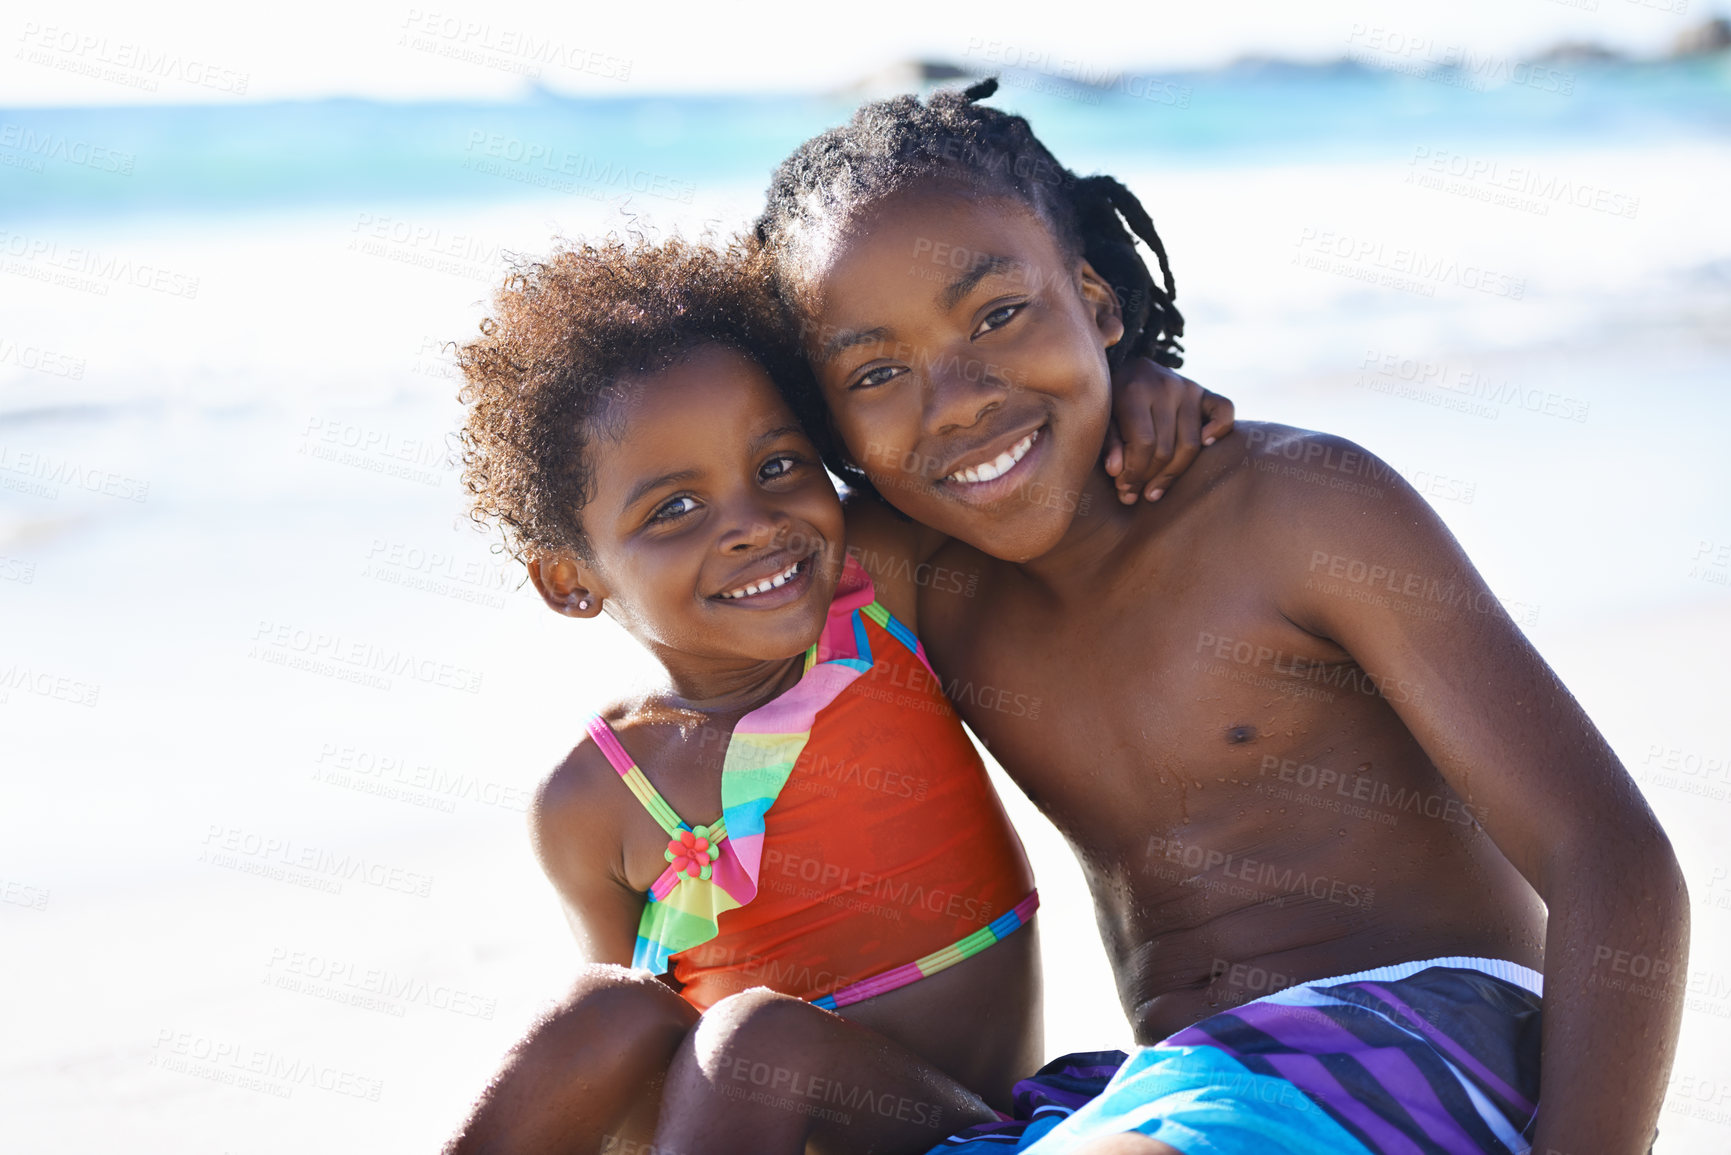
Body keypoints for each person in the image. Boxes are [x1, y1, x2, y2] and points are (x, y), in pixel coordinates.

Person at [650, 80, 1688, 1155]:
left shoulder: (1296, 509)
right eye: (877, 371)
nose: (955, 400)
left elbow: (1612, 855)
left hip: (1418, 1047)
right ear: (832, 429)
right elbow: (703, 501)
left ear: (1096, 301)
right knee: (751, 1056)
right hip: (1171, 1091)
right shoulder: (919, 571)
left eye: (1002, 315)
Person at [441, 234, 1233, 1154]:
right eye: (674, 509)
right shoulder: (590, 797)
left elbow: (1010, 468)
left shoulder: (878, 584)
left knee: (754, 1040)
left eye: (778, 466)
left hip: (958, 1131)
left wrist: (1129, 382)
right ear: (571, 578)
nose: (752, 524)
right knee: (605, 1009)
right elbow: (616, 1086)